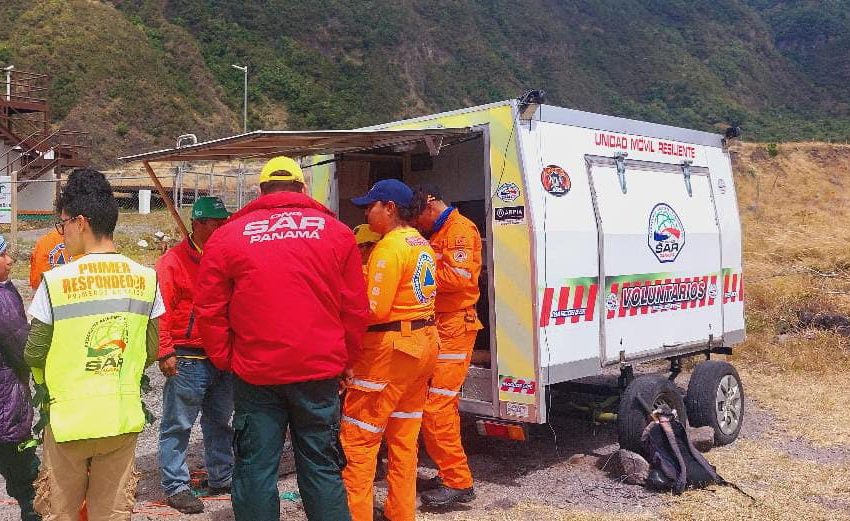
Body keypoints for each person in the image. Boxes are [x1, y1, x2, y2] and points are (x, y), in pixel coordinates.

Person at [195, 156, 368, 521]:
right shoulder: (336, 233)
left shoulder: (228, 237)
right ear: (302, 189)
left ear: (261, 191)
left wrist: (227, 359)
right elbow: (355, 308)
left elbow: (210, 310)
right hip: (318, 373)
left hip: (256, 375)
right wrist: (346, 360)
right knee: (321, 466)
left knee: (256, 469)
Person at [23, 168, 164, 521]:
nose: (62, 232)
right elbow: (151, 349)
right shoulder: (146, 279)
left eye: (63, 223)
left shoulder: (55, 282)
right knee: (113, 514)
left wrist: (51, 383)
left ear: (81, 222)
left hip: (69, 422)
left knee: (60, 513)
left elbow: (34, 351)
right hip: (120, 420)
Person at [342, 179, 439, 521]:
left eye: (370, 206)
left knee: (359, 439)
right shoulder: (421, 243)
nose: (366, 212)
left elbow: (373, 310)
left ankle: (356, 514)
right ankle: (401, 513)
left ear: (390, 208)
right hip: (422, 347)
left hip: (389, 352)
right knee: (404, 439)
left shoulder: (389, 247)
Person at [156, 196, 233, 514]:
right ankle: (176, 485)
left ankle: (222, 477)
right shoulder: (173, 262)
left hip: (221, 355)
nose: (222, 228)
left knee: (221, 422)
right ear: (198, 224)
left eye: (224, 222)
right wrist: (165, 351)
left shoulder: (226, 258)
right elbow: (160, 307)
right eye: (217, 223)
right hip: (187, 356)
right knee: (178, 424)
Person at [412, 185, 483, 506]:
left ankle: (458, 481)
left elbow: (458, 278)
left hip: (455, 326)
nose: (416, 224)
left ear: (429, 205)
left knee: (436, 408)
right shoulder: (440, 232)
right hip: (440, 324)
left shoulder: (460, 230)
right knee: (442, 407)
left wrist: (415, 272)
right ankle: (449, 472)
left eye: (417, 216)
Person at [0, 234, 41, 521]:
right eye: (2, 255)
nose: (10, 259)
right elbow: (23, 348)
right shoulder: (3, 299)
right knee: (24, 472)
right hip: (5, 406)